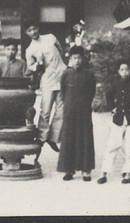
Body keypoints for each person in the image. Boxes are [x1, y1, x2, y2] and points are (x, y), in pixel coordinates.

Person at [24, 19, 67, 152]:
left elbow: (60, 49)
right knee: (46, 109)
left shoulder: (50, 37)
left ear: (38, 28)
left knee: (61, 108)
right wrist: (38, 64)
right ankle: (42, 137)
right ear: (27, 33)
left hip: (61, 74)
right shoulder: (30, 49)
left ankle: (53, 138)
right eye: (29, 30)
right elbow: (30, 68)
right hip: (47, 79)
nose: (33, 32)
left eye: (34, 28)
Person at [57, 46, 97, 182]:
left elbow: (92, 91)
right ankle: (69, 169)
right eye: (74, 58)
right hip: (69, 111)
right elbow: (62, 91)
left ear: (83, 59)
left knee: (85, 137)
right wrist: (69, 103)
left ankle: (86, 170)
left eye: (79, 58)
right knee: (69, 137)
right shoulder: (66, 74)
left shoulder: (89, 74)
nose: (77, 61)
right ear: (70, 59)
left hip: (84, 111)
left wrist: (85, 103)